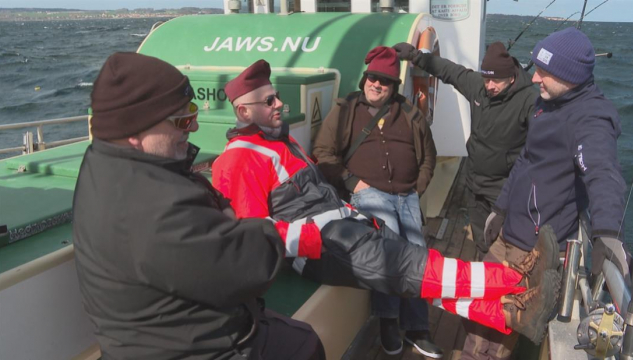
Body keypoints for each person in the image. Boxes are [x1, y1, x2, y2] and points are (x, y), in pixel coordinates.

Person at [211, 58, 562, 348]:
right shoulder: (239, 159)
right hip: (324, 246)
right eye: (269, 101)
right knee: (415, 265)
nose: (279, 105)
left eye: (277, 98)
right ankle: (515, 277)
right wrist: (319, 238)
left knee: (417, 273)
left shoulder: (278, 143)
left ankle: (506, 315)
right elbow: (255, 234)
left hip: (347, 227)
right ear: (243, 111)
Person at [72, 52, 326, 360]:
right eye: (181, 120)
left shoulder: (104, 163)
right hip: (197, 348)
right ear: (132, 132)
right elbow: (252, 269)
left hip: (158, 333)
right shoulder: (155, 208)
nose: (192, 127)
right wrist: (254, 227)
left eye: (192, 111)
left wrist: (221, 209)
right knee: (306, 344)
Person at [409, 28, 629, 360]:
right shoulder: (545, 103)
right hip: (508, 232)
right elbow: (526, 160)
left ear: (569, 76)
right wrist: (499, 208)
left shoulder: (592, 117)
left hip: (533, 251)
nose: (535, 78)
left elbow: (602, 173)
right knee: (479, 312)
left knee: (500, 332)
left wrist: (608, 235)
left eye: (544, 72)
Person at [312, 46, 440, 357]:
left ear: (394, 85)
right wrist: (353, 183)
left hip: (406, 194)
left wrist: (416, 188)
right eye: (372, 78)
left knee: (419, 252)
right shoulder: (345, 111)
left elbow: (428, 157)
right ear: (364, 79)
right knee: (390, 246)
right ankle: (388, 320)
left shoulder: (410, 114)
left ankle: (417, 326)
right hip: (368, 192)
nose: (376, 84)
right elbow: (323, 153)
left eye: (384, 80)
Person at [392, 41, 537, 260]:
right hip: (473, 180)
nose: (489, 86)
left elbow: (541, 145)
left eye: (496, 81)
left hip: (504, 186)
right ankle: (482, 266)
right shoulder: (478, 86)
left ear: (511, 77)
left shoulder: (530, 100)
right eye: (486, 78)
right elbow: (449, 70)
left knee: (506, 238)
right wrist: (415, 55)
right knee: (481, 237)